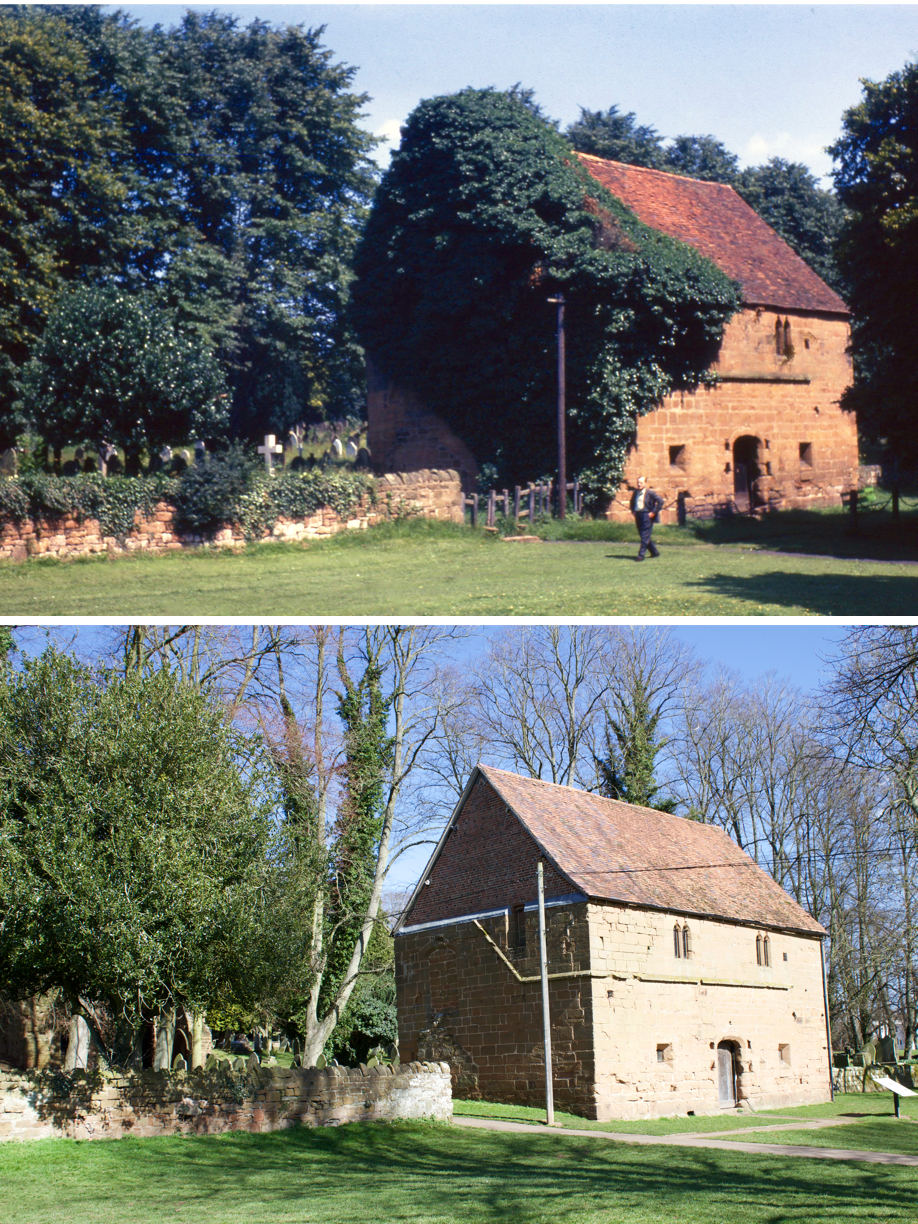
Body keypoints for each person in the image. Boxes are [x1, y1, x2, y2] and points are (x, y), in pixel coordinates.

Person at [630, 475, 663, 560]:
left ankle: (641, 555)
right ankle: (654, 552)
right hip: (638, 515)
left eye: (641, 483)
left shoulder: (650, 493)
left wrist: (653, 512)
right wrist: (633, 510)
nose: (639, 484)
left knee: (645, 535)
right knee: (643, 535)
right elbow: (632, 502)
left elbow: (661, 501)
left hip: (646, 515)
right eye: (638, 483)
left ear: (645, 483)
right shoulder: (635, 492)